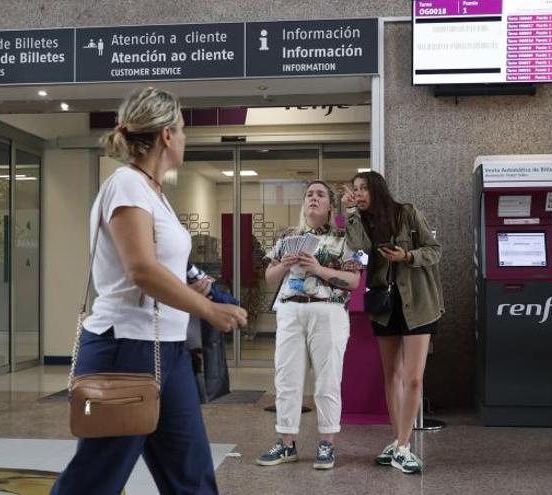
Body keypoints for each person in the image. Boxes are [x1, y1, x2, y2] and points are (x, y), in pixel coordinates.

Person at [51, 87, 247, 495]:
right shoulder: (127, 185)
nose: (186, 137)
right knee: (96, 477)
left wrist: (191, 287)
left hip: (165, 348)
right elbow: (140, 269)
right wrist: (209, 312)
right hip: (126, 347)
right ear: (166, 136)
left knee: (190, 473)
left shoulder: (154, 191)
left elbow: (158, 267)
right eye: (182, 128)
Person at [341, 171, 443, 475]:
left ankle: (402, 445)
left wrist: (407, 256)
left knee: (413, 378)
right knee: (392, 374)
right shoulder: (363, 221)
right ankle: (399, 441)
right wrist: (350, 213)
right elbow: (358, 248)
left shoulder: (407, 213)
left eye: (364, 189)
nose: (359, 193)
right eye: (355, 189)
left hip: (419, 305)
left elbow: (434, 250)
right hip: (385, 306)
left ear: (377, 190)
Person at [256, 180, 363, 470]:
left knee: (328, 380)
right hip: (290, 310)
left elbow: (353, 281)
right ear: (304, 204)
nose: (313, 199)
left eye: (320, 195)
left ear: (330, 206)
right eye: (309, 195)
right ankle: (286, 443)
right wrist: (284, 264)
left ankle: (326, 443)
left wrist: (318, 269)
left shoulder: (344, 238)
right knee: (286, 379)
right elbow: (269, 277)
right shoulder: (288, 237)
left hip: (327, 311)